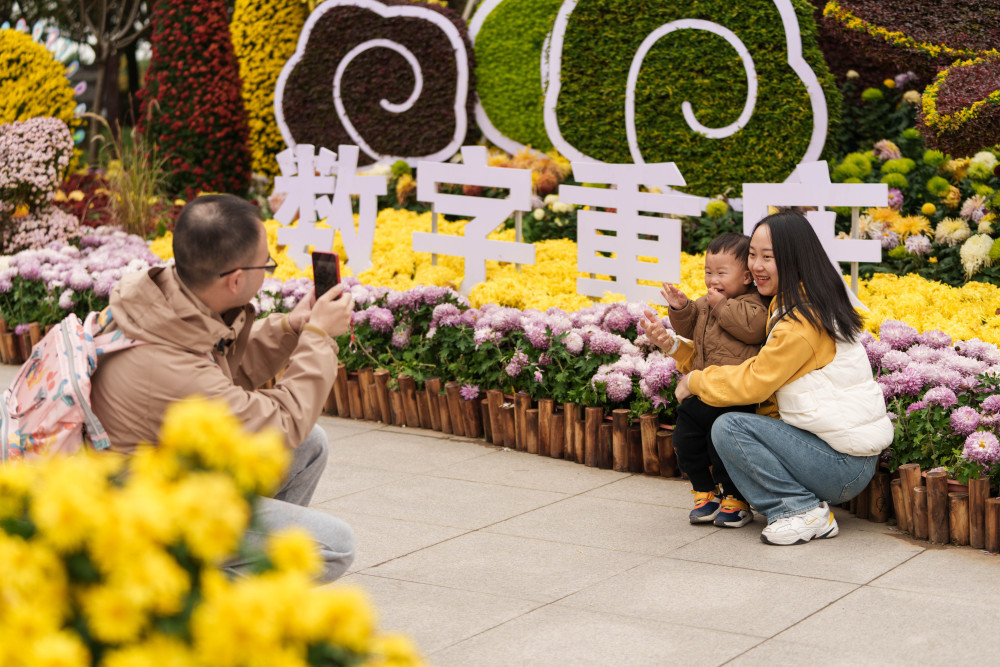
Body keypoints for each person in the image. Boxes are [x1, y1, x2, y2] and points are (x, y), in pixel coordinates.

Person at [90, 194, 356, 580]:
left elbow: (219, 368)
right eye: (266, 264)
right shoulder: (170, 367)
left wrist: (291, 327)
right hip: (143, 518)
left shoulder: (159, 301)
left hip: (161, 476)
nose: (268, 270)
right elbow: (280, 422)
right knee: (333, 545)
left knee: (309, 445)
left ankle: (241, 563)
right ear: (235, 280)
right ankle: (196, 598)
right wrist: (318, 336)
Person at [642, 210, 892, 545]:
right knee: (729, 421)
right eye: (753, 256)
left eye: (768, 257)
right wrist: (674, 347)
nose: (756, 266)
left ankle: (800, 509)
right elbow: (740, 361)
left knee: (730, 427)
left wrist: (696, 382)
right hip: (834, 454)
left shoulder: (801, 320)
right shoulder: (787, 304)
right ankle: (793, 504)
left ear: (793, 259)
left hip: (843, 466)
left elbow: (757, 379)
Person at [642, 232, 767, 528]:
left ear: (747, 277)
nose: (713, 279)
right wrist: (680, 307)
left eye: (722, 272)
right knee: (685, 440)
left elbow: (753, 330)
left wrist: (722, 306)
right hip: (701, 391)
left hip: (733, 396)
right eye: (708, 272)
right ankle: (704, 492)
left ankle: (736, 499)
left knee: (721, 449)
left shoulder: (755, 304)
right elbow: (687, 326)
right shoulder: (706, 302)